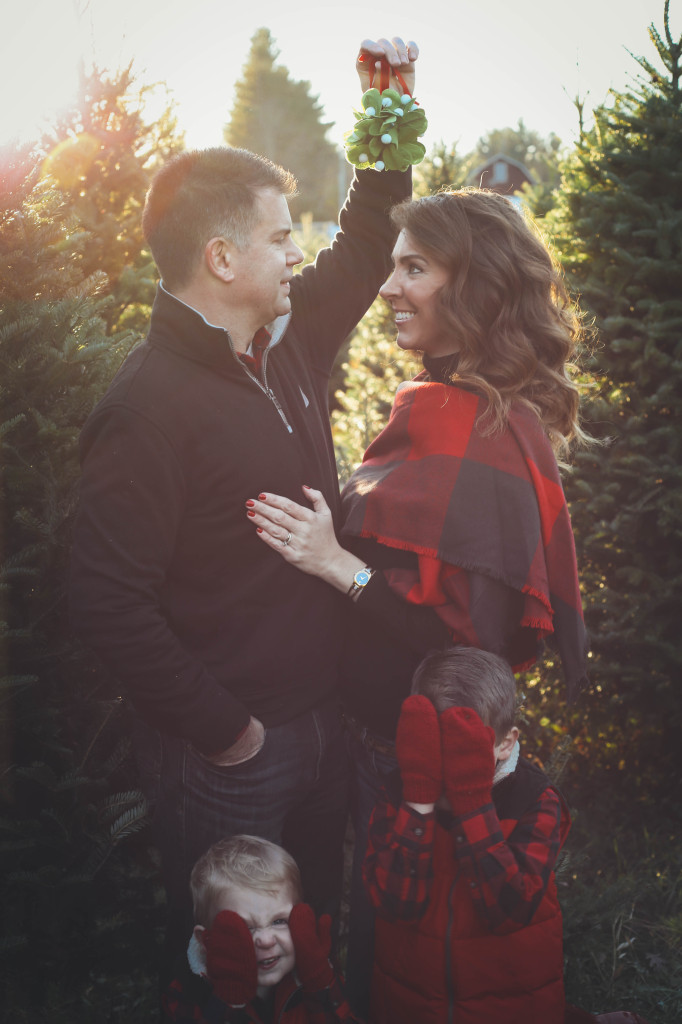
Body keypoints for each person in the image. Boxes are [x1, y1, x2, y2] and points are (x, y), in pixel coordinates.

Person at [68, 36, 418, 974]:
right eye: (277, 237)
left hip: (321, 730)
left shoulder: (287, 343)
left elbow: (369, 237)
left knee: (307, 956)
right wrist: (229, 733)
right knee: (231, 976)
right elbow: (104, 600)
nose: (297, 254)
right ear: (221, 257)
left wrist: (387, 110)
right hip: (231, 760)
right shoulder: (146, 411)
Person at [247, 186, 589, 1011]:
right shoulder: (438, 404)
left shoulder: (476, 423)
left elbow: (461, 642)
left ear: (471, 286)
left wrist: (338, 565)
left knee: (393, 950)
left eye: (414, 269)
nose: (389, 289)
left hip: (410, 750)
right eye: (392, 267)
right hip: (382, 735)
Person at [363, 645, 570, 1023]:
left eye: (466, 748)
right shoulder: (398, 794)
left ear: (505, 744)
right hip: (410, 1002)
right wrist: (420, 801)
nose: (446, 762)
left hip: (513, 1006)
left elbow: (510, 910)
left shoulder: (534, 800)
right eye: (434, 746)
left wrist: (473, 805)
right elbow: (395, 904)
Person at [163, 834, 361, 1023]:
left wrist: (319, 984)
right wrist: (229, 1002)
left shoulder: (315, 969)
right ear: (207, 940)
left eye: (279, 921)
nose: (266, 940)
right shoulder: (189, 987)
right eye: (245, 928)